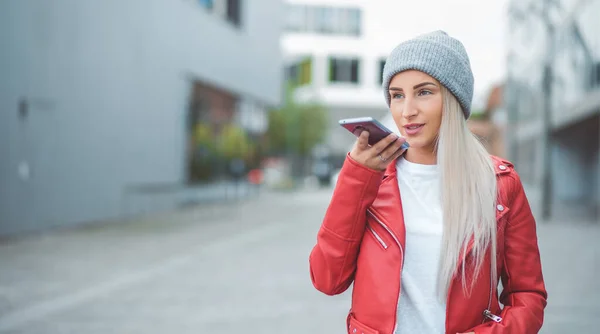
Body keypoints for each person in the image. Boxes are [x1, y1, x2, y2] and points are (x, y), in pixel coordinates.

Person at [308, 31, 547, 334]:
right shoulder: (372, 182)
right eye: (397, 95)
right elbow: (327, 279)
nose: (407, 111)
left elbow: (528, 296)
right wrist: (356, 177)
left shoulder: (500, 184)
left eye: (423, 92)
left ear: (453, 99)